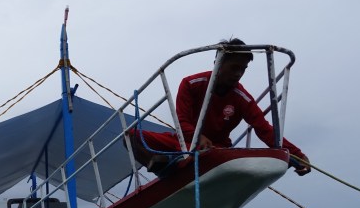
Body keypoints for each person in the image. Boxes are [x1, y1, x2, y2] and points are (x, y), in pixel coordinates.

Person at [129, 38, 310, 176]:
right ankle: (160, 169)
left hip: (217, 149)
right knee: (130, 136)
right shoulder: (191, 84)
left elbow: (263, 129)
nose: (238, 74)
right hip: (184, 142)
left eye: (243, 69)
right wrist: (198, 137)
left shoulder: (242, 98)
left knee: (212, 154)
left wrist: (296, 154)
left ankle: (180, 164)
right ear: (219, 63)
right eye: (234, 68)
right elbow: (182, 120)